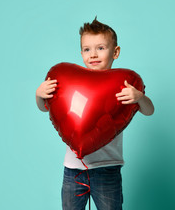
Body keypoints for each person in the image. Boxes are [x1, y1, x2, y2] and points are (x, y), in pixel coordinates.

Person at [35, 17, 154, 210]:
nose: (93, 54)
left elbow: (149, 111)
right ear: (81, 52)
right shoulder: (68, 80)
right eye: (87, 49)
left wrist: (139, 97)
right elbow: (46, 108)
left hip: (107, 169)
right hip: (73, 170)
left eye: (100, 48)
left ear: (115, 52)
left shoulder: (123, 84)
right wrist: (39, 96)